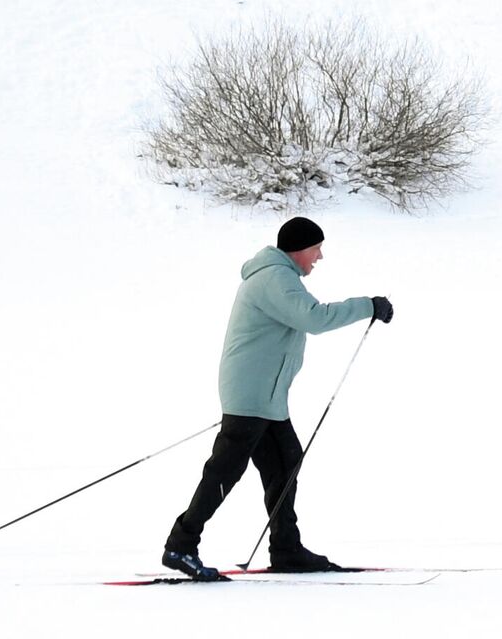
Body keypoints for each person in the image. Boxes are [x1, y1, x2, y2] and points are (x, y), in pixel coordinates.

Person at [161, 217, 392, 579]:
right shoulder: (275, 278)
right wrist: (368, 305)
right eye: (316, 248)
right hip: (252, 394)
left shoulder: (279, 277)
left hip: (266, 397)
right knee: (225, 469)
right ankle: (181, 545)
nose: (320, 256)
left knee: (285, 463)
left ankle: (287, 549)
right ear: (298, 249)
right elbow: (315, 318)